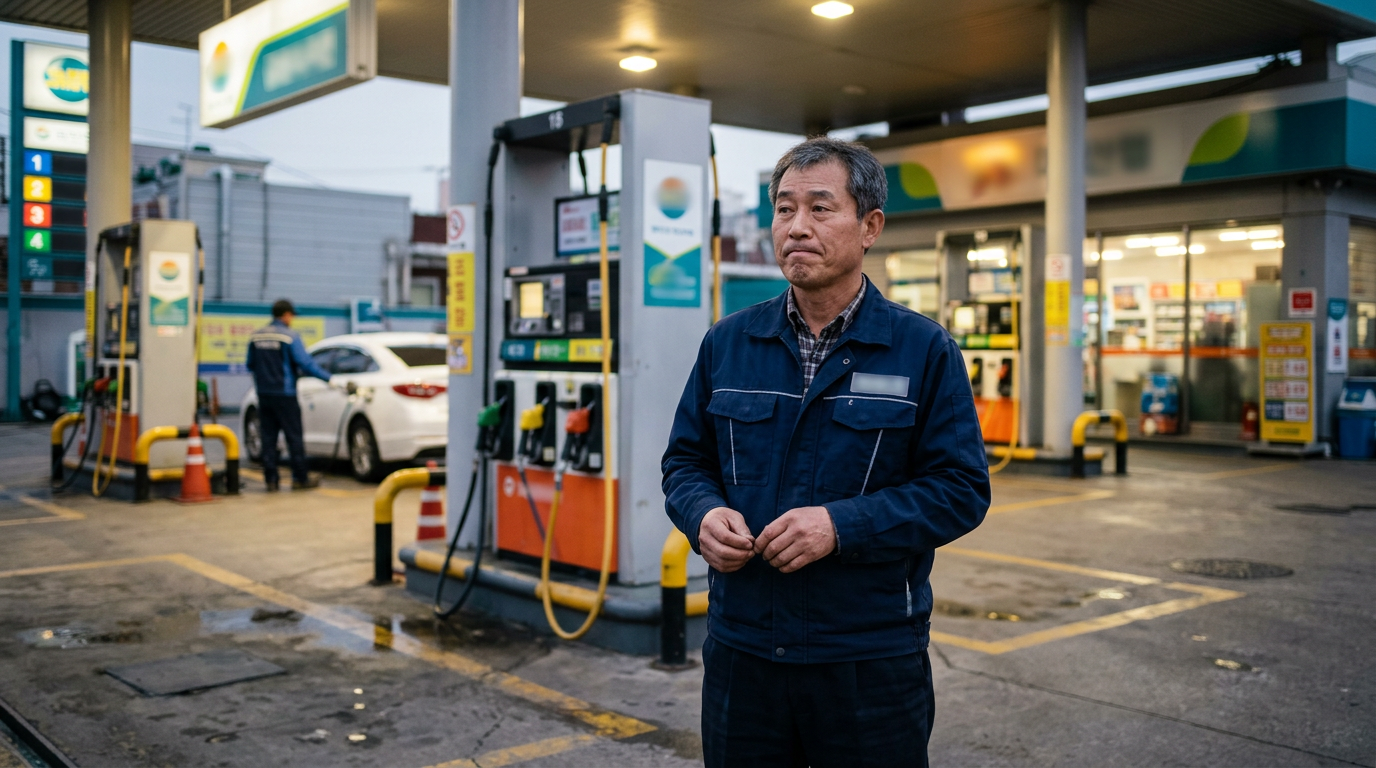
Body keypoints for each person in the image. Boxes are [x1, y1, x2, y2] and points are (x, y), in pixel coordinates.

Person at [662, 137, 991, 768]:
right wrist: (702, 513)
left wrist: (840, 526)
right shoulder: (729, 344)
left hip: (867, 661)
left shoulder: (921, 350)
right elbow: (684, 462)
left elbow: (959, 489)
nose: (797, 228)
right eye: (785, 210)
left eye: (820, 208)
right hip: (743, 652)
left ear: (870, 227)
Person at [245, 299, 333, 491]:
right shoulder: (289, 336)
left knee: (268, 438)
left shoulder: (256, 336)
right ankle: (300, 478)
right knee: (294, 437)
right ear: (286, 315)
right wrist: (329, 378)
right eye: (291, 315)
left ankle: (271, 480)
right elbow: (306, 364)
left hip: (264, 394)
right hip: (285, 394)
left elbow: (250, 364)